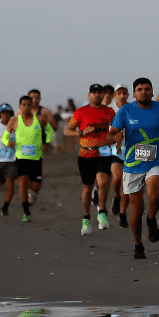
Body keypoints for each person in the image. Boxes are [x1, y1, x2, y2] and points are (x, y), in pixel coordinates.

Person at [107, 77, 159, 259]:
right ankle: (138, 245)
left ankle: (152, 219)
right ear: (134, 94)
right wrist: (117, 136)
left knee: (155, 192)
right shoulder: (125, 110)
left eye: (147, 89)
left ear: (152, 92)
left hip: (156, 161)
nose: (144, 92)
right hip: (132, 165)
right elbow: (112, 132)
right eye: (140, 89)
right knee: (136, 210)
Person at [64, 84, 115, 235]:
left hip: (104, 153)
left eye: (100, 93)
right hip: (86, 154)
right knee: (87, 188)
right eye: (94, 93)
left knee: (103, 182)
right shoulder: (81, 112)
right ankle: (86, 218)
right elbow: (67, 131)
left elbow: (116, 129)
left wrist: (115, 137)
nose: (97, 95)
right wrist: (81, 132)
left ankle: (102, 212)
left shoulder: (109, 112)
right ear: (89, 95)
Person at [6, 95, 47, 222]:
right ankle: (26, 212)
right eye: (23, 104)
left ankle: (33, 193)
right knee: (22, 183)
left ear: (32, 106)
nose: (26, 107)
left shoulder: (40, 119)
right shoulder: (14, 121)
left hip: (36, 157)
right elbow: (4, 137)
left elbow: (50, 131)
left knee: (36, 186)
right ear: (19, 106)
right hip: (21, 157)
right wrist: (9, 143)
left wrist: (46, 143)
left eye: (29, 104)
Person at [27, 89, 58, 199]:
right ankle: (29, 192)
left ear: (40, 99)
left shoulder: (45, 111)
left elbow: (55, 127)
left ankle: (34, 189)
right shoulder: (22, 111)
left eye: (36, 97)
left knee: (35, 172)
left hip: (39, 145)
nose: (34, 100)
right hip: (25, 144)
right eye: (32, 97)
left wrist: (46, 122)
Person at [108, 85, 130, 225]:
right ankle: (116, 196)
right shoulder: (109, 109)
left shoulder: (133, 108)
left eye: (124, 93)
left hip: (131, 150)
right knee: (116, 178)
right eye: (119, 93)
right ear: (115, 95)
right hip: (115, 149)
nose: (122, 96)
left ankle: (122, 213)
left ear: (128, 95)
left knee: (127, 184)